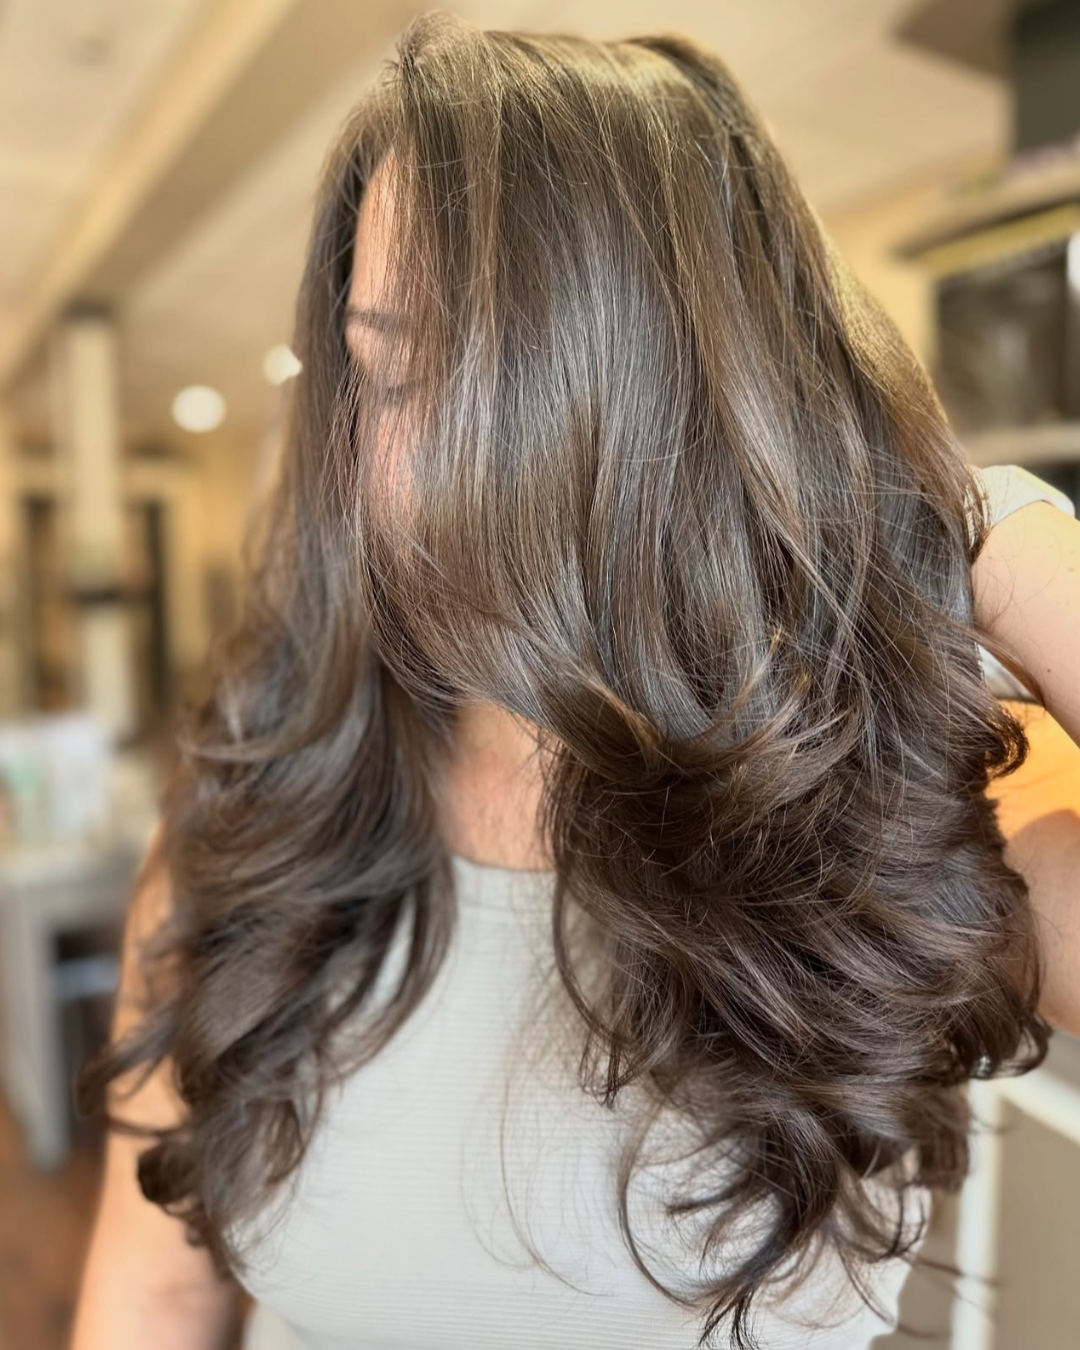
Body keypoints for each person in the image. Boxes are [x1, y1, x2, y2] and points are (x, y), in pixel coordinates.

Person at [70, 13, 1080, 1350]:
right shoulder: (257, 807)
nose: (412, 473)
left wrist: (984, 532)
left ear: (699, 402)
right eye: (384, 377)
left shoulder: (896, 816)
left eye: (506, 378)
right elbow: (147, 1294)